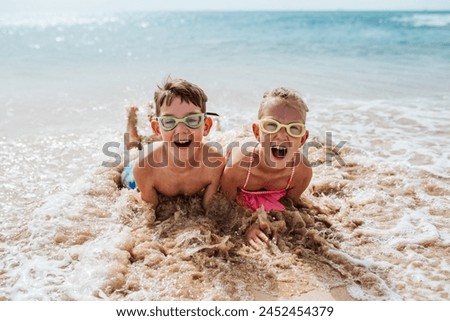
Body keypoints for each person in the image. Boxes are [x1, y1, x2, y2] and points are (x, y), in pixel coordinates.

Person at [220, 87, 312, 249]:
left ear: (303, 139)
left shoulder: (301, 173)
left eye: (294, 129)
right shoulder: (238, 167)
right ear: (257, 131)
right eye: (271, 126)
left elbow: (288, 206)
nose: (282, 136)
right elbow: (224, 206)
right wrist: (247, 226)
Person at [122, 78, 225, 210]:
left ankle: (158, 117)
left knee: (168, 139)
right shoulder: (145, 167)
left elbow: (211, 210)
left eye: (192, 120)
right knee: (133, 147)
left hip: (164, 145)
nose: (181, 130)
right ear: (157, 128)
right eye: (169, 121)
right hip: (138, 171)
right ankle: (132, 120)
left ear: (206, 126)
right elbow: (149, 215)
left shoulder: (216, 164)